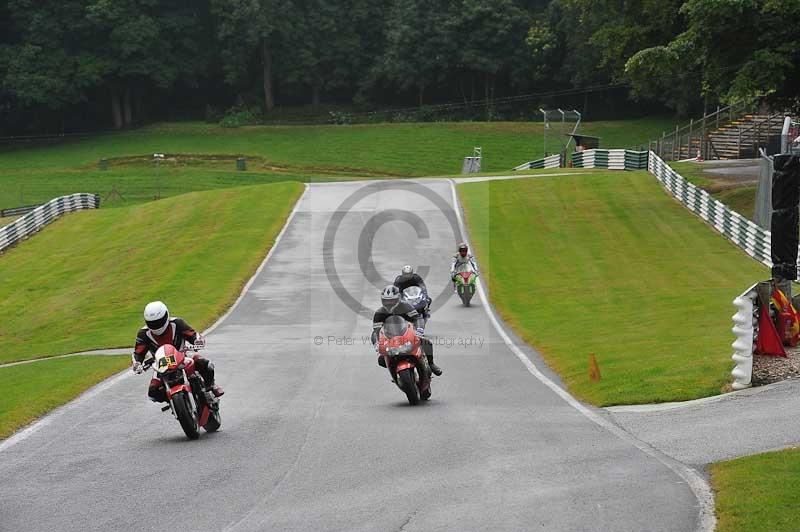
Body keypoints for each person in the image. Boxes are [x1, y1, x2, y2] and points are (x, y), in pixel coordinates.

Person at [131, 301, 224, 402]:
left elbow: (192, 334)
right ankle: (173, 402)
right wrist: (137, 363)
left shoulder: (177, 323)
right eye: (152, 323)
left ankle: (211, 386)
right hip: (161, 363)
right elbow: (138, 352)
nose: (156, 325)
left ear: (166, 316)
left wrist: (197, 341)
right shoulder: (143, 334)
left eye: (159, 321)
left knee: (204, 364)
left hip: (182, 355)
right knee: (153, 392)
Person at [371, 285, 442, 376]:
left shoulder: (406, 306)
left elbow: (418, 318)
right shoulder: (379, 313)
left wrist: (419, 330)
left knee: (426, 342)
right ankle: (390, 366)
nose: (389, 303)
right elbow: (377, 330)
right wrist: (379, 346)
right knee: (381, 360)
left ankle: (431, 364)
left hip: (408, 332)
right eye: (386, 301)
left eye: (392, 300)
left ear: (398, 299)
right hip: (391, 337)